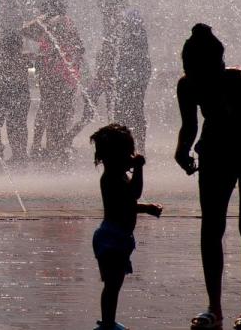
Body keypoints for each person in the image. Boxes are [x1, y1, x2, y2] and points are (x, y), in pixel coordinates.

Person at [175, 24, 241, 330]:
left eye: (201, 69)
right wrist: (182, 149)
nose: (195, 76)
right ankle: (214, 308)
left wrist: (207, 145)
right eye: (189, 69)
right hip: (218, 146)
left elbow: (240, 125)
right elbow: (190, 125)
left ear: (218, 64)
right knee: (211, 226)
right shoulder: (187, 85)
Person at [90, 124, 163, 330]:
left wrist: (147, 209)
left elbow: (126, 205)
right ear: (114, 156)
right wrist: (139, 168)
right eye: (127, 153)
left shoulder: (115, 176)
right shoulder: (112, 178)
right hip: (112, 238)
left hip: (115, 237)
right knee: (112, 285)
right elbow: (135, 194)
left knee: (114, 284)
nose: (131, 157)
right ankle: (107, 324)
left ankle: (109, 322)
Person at [21, 0, 84, 162]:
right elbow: (79, 46)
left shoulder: (46, 22)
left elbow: (25, 30)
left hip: (47, 70)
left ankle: (38, 145)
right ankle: (55, 145)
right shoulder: (64, 21)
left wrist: (41, 19)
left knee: (47, 106)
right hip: (62, 72)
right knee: (60, 109)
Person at [0, 31, 33, 164]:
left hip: (14, 94)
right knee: (14, 124)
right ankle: (16, 152)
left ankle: (18, 153)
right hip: (14, 94)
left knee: (14, 124)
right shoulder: (19, 58)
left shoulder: (17, 59)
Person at [112, 8, 151, 153]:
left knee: (124, 112)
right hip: (134, 80)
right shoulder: (138, 36)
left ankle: (126, 147)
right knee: (135, 112)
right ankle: (137, 147)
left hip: (130, 80)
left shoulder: (132, 36)